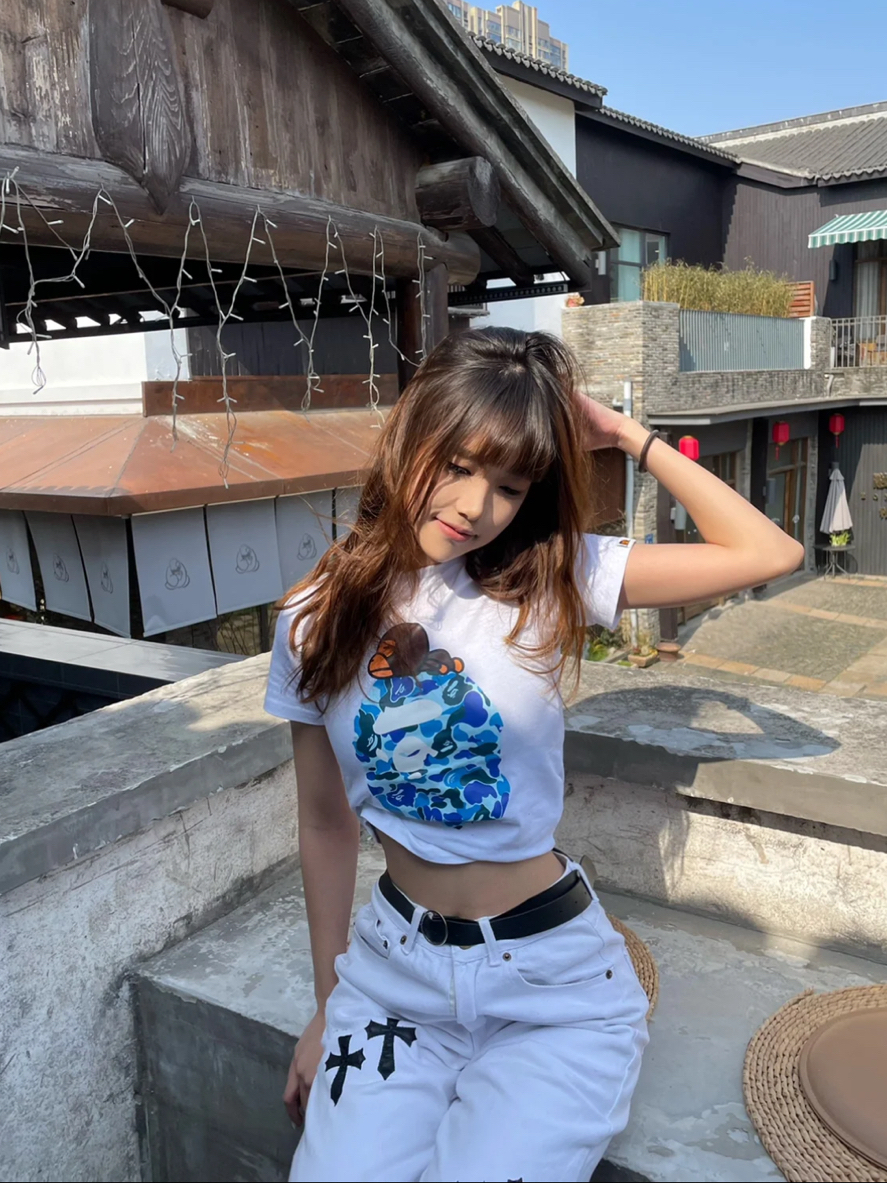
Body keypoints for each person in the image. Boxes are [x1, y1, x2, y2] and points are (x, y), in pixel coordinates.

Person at [264, 328, 803, 1183]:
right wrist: (328, 1004)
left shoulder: (550, 577)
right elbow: (325, 823)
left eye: (509, 485)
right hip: (392, 975)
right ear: (410, 437)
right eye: (456, 464)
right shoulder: (313, 617)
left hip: (550, 986)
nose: (475, 506)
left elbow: (768, 553)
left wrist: (625, 432)